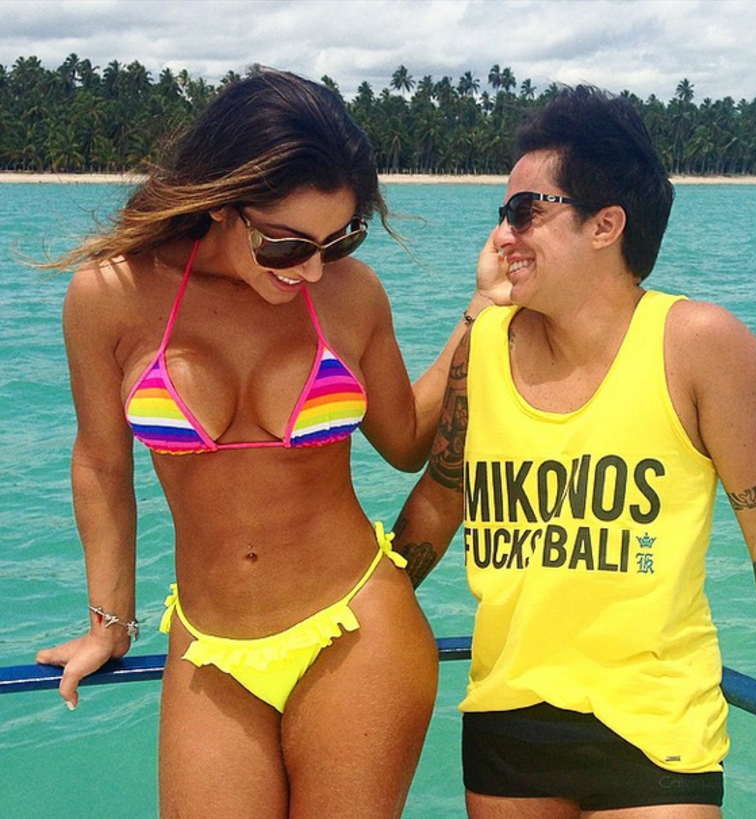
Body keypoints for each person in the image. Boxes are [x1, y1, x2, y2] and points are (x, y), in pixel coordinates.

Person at [35, 68, 497, 819]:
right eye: (286, 245)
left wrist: (479, 311)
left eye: (339, 239)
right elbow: (100, 462)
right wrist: (109, 620)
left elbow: (408, 442)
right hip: (209, 642)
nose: (312, 268)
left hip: (359, 626)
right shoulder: (111, 294)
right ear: (222, 200)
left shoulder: (350, 293)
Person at [393, 84, 756, 818]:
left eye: (524, 211)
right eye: (503, 213)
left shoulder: (700, 345)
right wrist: (358, 617)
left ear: (605, 225)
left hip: (658, 723)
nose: (501, 235)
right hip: (506, 716)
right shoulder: (483, 345)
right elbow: (439, 495)